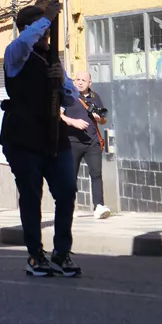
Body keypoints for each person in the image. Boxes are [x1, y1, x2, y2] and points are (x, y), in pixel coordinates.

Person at [0, 0, 81, 278]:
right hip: (23, 134)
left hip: (52, 133)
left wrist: (60, 81)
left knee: (67, 190)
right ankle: (35, 254)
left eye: (47, 31)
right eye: (42, 31)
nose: (47, 36)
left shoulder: (52, 59)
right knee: (31, 194)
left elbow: (70, 97)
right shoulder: (15, 53)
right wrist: (46, 18)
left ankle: (61, 252)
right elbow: (25, 42)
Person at [64, 68, 110, 219]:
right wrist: (73, 122)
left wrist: (99, 119)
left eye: (84, 80)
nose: (80, 82)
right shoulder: (67, 95)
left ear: (90, 83)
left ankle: (99, 206)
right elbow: (57, 114)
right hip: (72, 142)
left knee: (96, 174)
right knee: (71, 176)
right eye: (78, 80)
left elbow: (104, 120)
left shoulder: (95, 97)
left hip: (92, 142)